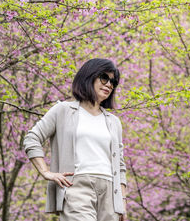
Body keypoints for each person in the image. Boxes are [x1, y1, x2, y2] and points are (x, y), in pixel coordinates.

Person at [23, 58, 127, 221]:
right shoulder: (63, 110)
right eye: (104, 78)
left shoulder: (113, 122)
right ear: (88, 76)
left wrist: (122, 203)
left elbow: (120, 166)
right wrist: (46, 172)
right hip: (77, 187)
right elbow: (32, 138)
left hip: (110, 193)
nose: (109, 85)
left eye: (113, 82)